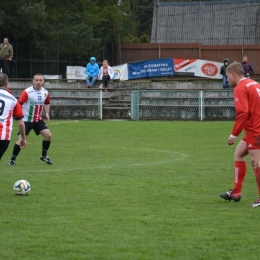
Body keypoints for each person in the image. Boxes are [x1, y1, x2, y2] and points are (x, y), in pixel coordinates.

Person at [220, 62, 260, 207]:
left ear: (233, 74)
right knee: (239, 154)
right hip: (254, 129)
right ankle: (236, 192)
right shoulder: (254, 83)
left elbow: (243, 112)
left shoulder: (240, 88)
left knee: (256, 162)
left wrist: (234, 135)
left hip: (256, 130)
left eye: (227, 76)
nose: (227, 80)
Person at [9, 73, 53, 165]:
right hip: (26, 120)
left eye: (40, 80)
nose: (38, 82)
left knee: (48, 135)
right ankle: (12, 160)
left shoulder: (45, 92)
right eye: (36, 80)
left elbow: (47, 102)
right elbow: (19, 103)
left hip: (38, 120)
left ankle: (43, 156)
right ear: (33, 81)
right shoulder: (27, 92)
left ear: (43, 81)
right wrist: (19, 116)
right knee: (21, 140)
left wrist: (47, 113)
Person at [0, 73, 26, 160]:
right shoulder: (13, 100)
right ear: (7, 84)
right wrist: (23, 138)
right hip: (3, 136)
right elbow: (21, 124)